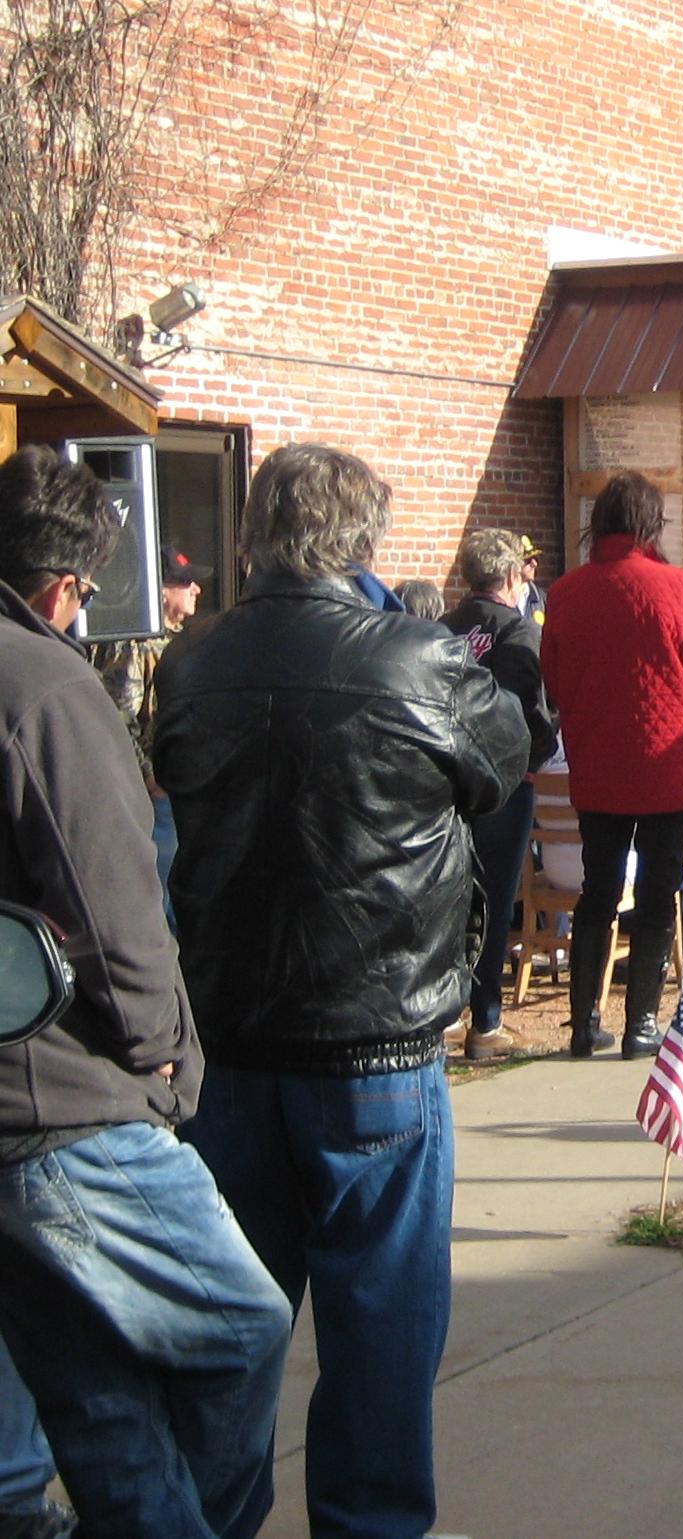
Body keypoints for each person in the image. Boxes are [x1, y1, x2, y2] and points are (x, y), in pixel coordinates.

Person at [155, 442, 528, 1539]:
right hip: (372, 1052)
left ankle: (209, 1520)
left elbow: (498, 751)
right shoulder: (411, 659)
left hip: (235, 1048)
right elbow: (504, 755)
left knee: (230, 1332)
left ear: (251, 538)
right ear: (362, 543)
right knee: (377, 1338)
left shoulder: (194, 660)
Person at [0, 446, 291, 1539]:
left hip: (25, 1104)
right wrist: (166, 1054)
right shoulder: (43, 687)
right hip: (63, 1097)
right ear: (68, 588)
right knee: (241, 1326)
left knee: (88, 1379)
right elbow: (112, 896)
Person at [541, 470, 683, 1058]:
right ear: (649, 524)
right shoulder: (676, 587)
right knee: (659, 889)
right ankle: (641, 1023)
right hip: (666, 765)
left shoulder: (565, 593)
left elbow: (555, 682)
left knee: (599, 888)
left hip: (599, 764)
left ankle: (584, 1024)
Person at [442, 528, 561, 1060]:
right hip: (503, 787)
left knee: (450, 899)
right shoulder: (519, 633)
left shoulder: (439, 632)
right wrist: (541, 751)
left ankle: (446, 1014)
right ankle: (485, 1023)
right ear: (513, 577)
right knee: (492, 903)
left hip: (446, 785)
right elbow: (528, 715)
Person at [88, 545, 210, 930]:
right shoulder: (133, 642)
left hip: (172, 785)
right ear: (160, 590)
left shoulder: (175, 639)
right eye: (185, 583)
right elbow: (118, 713)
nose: (197, 591)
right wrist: (148, 775)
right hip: (152, 793)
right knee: (160, 898)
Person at [517, 533, 546, 625]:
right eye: (528, 560)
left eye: (535, 559)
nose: (534, 564)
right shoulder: (500, 598)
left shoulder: (541, 599)